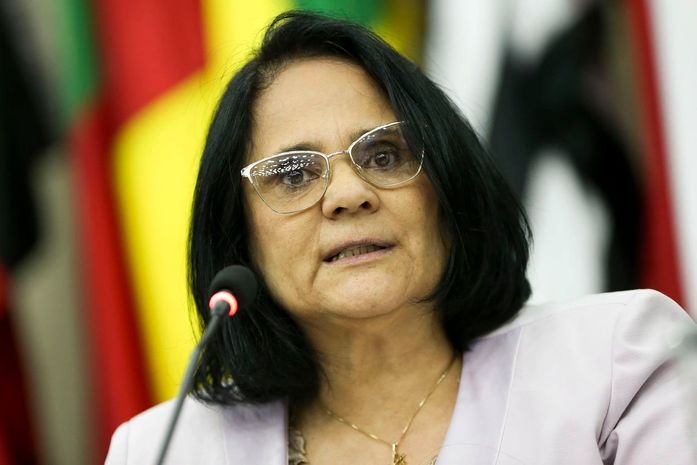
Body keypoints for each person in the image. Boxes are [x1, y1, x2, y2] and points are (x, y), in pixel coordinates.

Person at [105, 11, 696, 465]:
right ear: (240, 236)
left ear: (446, 193)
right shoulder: (165, 450)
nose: (348, 194)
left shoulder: (616, 365)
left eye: (385, 155)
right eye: (294, 173)